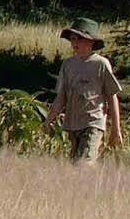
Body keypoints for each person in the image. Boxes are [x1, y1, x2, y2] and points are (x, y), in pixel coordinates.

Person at [46, 17, 123, 165]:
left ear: (91, 42)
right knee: (75, 164)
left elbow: (112, 97)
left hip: (93, 122)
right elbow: (61, 97)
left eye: (80, 39)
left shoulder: (101, 64)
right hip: (73, 123)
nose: (75, 43)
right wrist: (49, 120)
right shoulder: (68, 65)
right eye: (73, 39)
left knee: (84, 164)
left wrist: (116, 129)